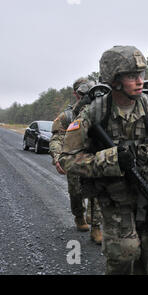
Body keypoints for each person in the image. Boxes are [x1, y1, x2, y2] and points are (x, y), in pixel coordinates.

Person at [58, 45, 148, 275]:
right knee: (124, 253)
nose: (140, 81)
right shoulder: (94, 113)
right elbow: (67, 159)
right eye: (132, 76)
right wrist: (110, 159)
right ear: (114, 79)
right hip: (114, 196)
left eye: (141, 74)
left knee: (147, 254)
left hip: (147, 191)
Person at [49, 78, 103, 245]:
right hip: (74, 159)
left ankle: (96, 227)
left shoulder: (101, 112)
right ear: (76, 94)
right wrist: (58, 157)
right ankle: (79, 217)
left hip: (93, 158)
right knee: (76, 192)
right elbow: (57, 138)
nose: (87, 97)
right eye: (82, 93)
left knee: (96, 192)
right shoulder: (67, 116)